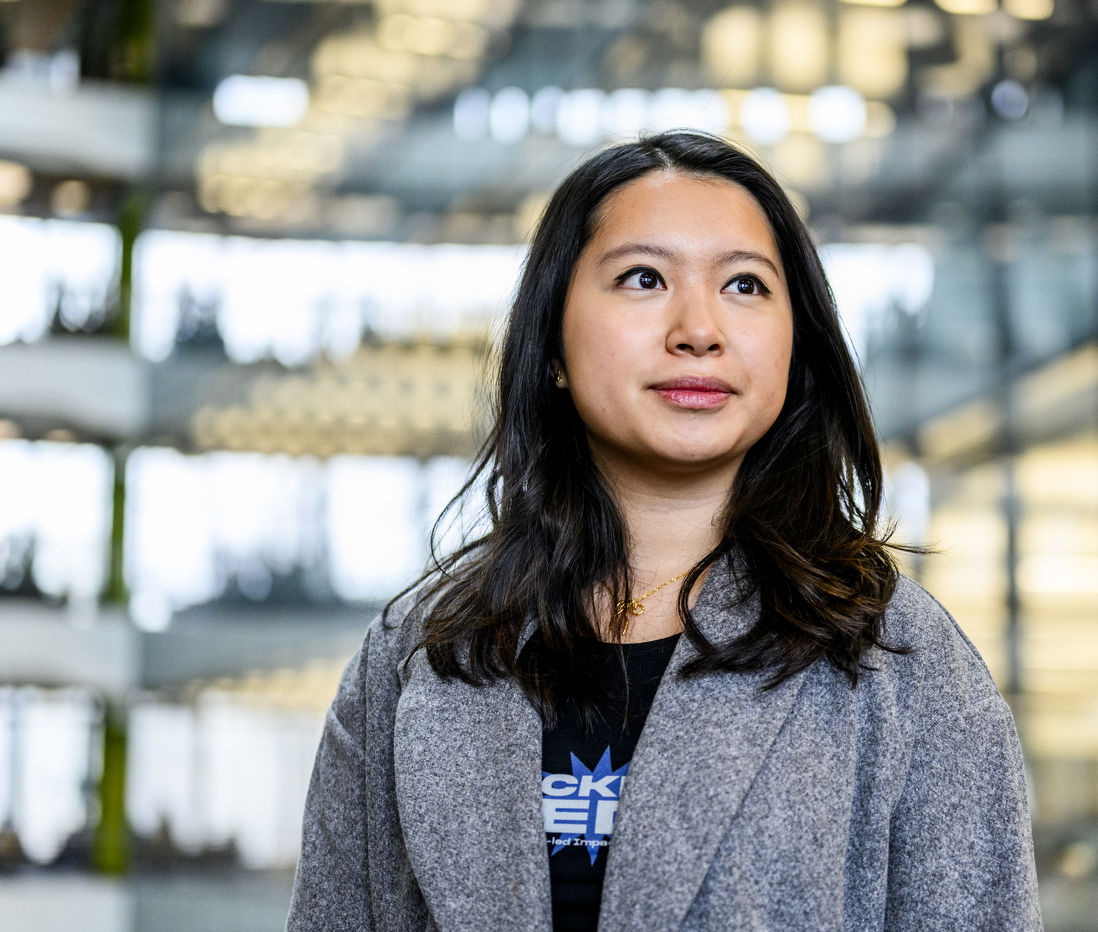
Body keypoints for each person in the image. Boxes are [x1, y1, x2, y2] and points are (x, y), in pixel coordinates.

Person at [286, 131, 1041, 932]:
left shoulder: (901, 663)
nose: (698, 329)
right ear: (553, 346)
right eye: (643, 278)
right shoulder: (414, 659)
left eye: (745, 286)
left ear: (796, 344)